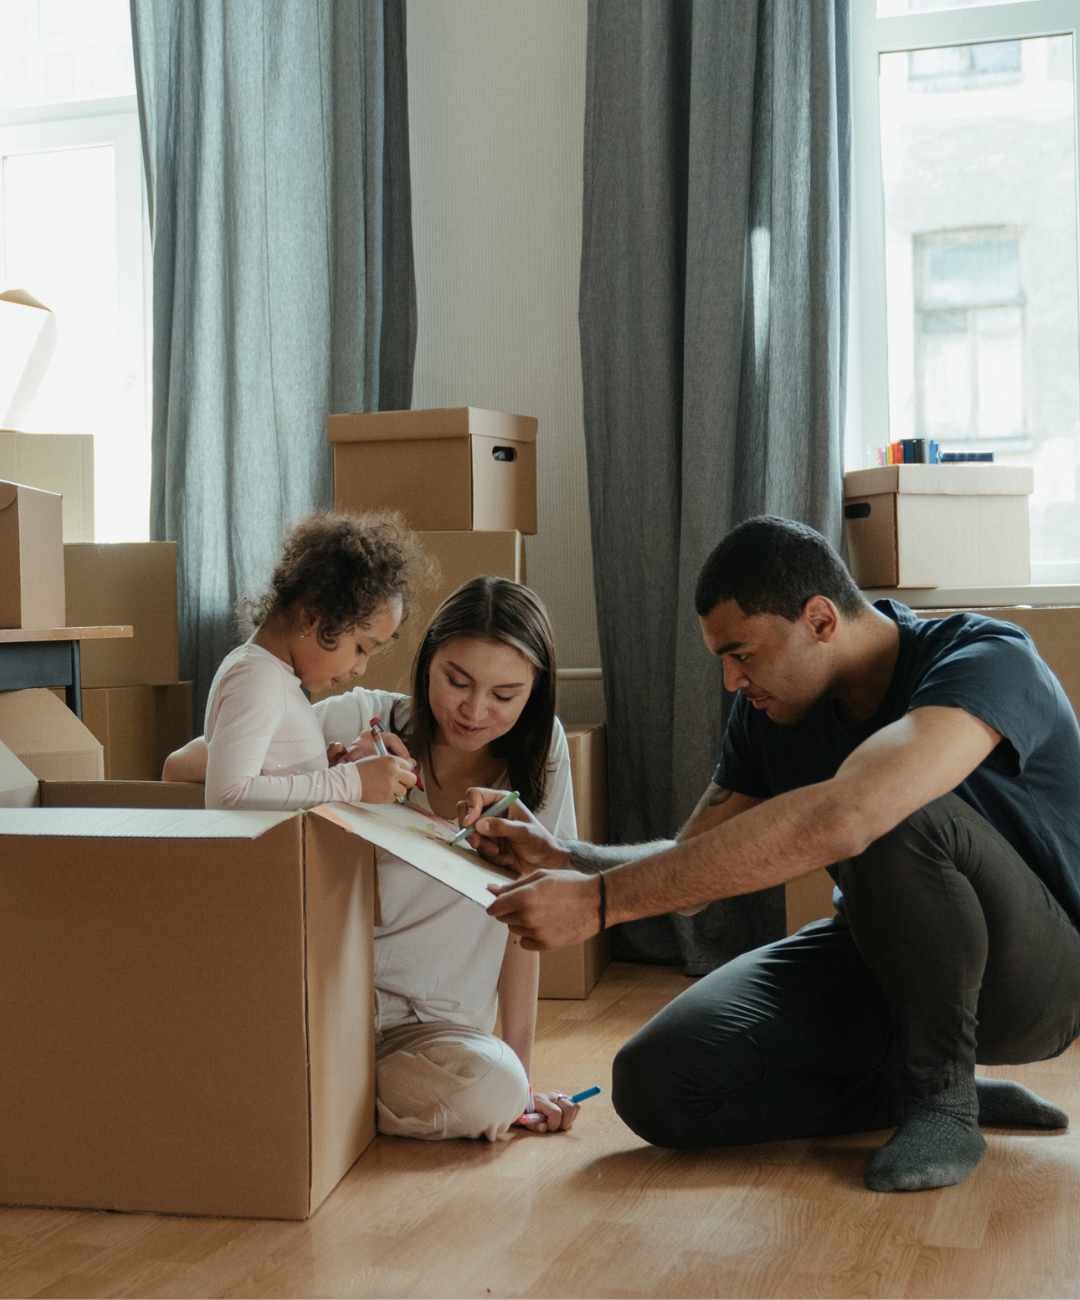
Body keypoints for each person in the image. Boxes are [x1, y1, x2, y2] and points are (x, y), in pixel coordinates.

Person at [467, 516, 1080, 1192]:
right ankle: (911, 1089)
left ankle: (944, 1101)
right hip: (885, 959)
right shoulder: (769, 713)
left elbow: (853, 814)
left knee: (893, 810)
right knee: (658, 1085)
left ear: (820, 619)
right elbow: (693, 866)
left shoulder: (986, 658)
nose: (732, 681)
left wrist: (601, 904)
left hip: (1042, 981)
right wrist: (568, 859)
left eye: (743, 654)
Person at [165, 572, 583, 1143]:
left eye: (505, 696)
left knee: (496, 1089)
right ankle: (320, 1094)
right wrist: (332, 774)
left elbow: (525, 922)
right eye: (456, 681)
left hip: (435, 1033)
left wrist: (524, 1078)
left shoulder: (544, 757)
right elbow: (182, 767)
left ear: (533, 694)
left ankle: (315, 1098)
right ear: (426, 662)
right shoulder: (358, 717)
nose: (475, 710)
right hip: (330, 1005)